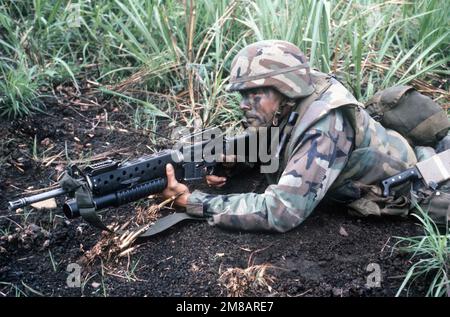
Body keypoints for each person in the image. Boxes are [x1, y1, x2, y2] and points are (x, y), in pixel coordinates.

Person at [161, 40, 449, 232]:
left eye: (253, 94)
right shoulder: (293, 100)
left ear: (285, 89)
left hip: (413, 176)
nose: (243, 104)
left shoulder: (325, 125)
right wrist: (230, 162)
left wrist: (194, 202)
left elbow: (282, 212)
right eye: (242, 95)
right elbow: (275, 141)